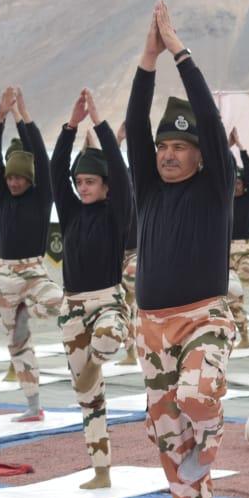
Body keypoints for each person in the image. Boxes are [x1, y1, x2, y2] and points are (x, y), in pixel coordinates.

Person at [127, 1, 235, 498]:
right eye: (163, 148)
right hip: (151, 329)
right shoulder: (146, 186)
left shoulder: (215, 188)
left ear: (200, 157)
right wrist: (146, 60)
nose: (167, 154)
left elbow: (213, 128)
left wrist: (178, 52)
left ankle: (211, 438)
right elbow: (138, 121)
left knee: (198, 397)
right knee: (167, 436)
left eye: (179, 148)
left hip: (203, 319)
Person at [50, 89, 132, 488]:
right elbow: (55, 170)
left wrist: (99, 123)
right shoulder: (69, 213)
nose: (83, 188)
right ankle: (101, 471)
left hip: (107, 303)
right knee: (89, 399)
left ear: (106, 185)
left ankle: (98, 359)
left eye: (91, 182)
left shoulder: (117, 214)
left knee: (109, 338)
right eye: (79, 182)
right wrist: (70, 124)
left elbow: (119, 170)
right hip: (72, 307)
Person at [0, 87, 63, 421]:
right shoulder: (1, 196)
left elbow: (40, 156)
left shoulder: (40, 195)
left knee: (66, 306)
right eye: (10, 177)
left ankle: (97, 324)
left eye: (20, 177)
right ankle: (34, 407)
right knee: (17, 343)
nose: (14, 182)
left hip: (33, 273)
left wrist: (22, 117)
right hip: (6, 276)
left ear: (29, 179)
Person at [227, 127, 249, 349]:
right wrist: (226, 148)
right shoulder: (224, 201)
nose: (237, 186)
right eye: (234, 183)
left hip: (246, 253)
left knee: (241, 286)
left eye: (240, 184)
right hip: (226, 253)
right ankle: (243, 335)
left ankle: (242, 333)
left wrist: (241, 148)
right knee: (233, 298)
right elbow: (216, 171)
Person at [115, 121, 141, 366]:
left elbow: (134, 165)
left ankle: (133, 351)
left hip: (135, 253)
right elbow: (115, 167)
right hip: (118, 253)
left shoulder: (141, 188)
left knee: (130, 302)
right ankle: (130, 350)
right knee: (125, 305)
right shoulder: (120, 189)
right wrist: (117, 140)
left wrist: (124, 140)